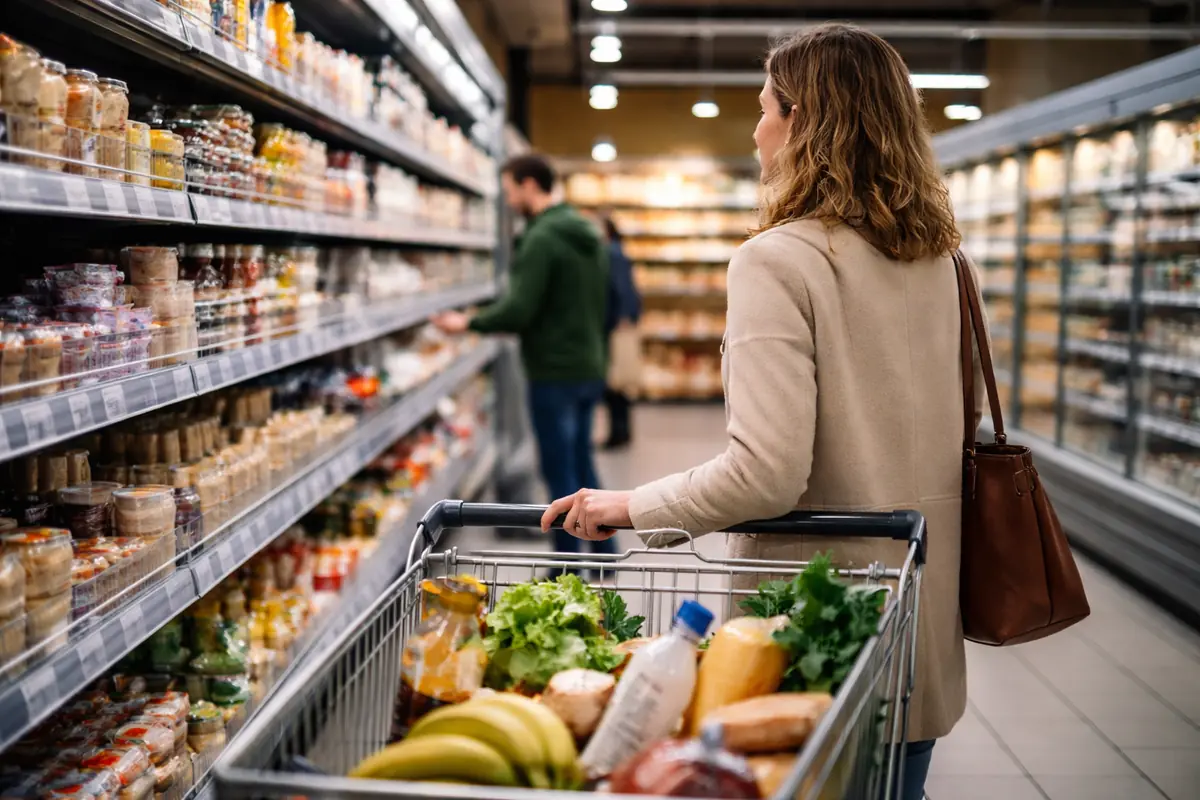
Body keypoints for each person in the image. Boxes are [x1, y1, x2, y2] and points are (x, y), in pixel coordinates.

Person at [539, 23, 982, 800]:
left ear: (803, 120)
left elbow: (768, 474)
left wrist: (630, 505)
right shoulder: (942, 260)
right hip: (917, 618)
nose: (755, 129)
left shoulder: (778, 259)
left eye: (764, 109)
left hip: (813, 632)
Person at [432, 153, 616, 561]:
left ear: (530, 185)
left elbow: (519, 309)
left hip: (553, 369)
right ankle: (606, 556)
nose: (509, 199)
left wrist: (466, 323)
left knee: (559, 474)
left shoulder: (541, 238)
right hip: (589, 364)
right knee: (583, 465)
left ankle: (565, 565)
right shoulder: (588, 234)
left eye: (511, 189)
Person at [601, 217, 642, 449]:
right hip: (620, 323)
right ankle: (621, 431)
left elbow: (622, 289)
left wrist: (623, 318)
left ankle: (619, 432)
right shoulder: (617, 251)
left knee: (616, 382)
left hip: (617, 326)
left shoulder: (612, 254)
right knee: (620, 383)